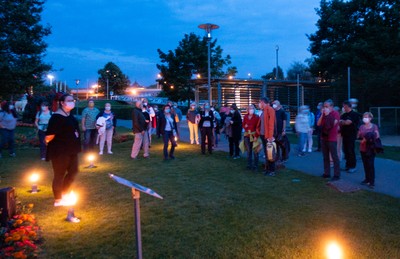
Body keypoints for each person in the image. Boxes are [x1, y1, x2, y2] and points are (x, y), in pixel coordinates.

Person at [45, 94, 81, 206]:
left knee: (74, 171)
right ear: (62, 103)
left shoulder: (70, 115)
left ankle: (65, 193)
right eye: (69, 100)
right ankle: (58, 199)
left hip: (72, 150)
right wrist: (47, 142)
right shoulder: (56, 117)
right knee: (59, 174)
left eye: (73, 100)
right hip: (60, 151)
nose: (72, 102)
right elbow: (49, 135)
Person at [317, 99, 340, 181]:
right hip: (324, 138)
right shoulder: (323, 114)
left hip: (332, 138)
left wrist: (328, 114)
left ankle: (337, 174)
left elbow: (333, 124)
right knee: (325, 156)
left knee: (334, 156)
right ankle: (327, 173)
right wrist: (322, 115)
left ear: (331, 107)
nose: (325, 108)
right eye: (324, 106)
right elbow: (318, 123)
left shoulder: (335, 113)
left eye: (327, 106)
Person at [358, 112, 380, 188]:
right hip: (363, 148)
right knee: (365, 164)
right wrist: (360, 136)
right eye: (364, 117)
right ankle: (367, 179)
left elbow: (377, 136)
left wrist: (368, 137)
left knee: (370, 164)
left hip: (371, 148)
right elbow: (358, 135)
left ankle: (372, 181)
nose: (365, 118)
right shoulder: (361, 127)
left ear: (370, 118)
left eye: (367, 117)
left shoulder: (374, 126)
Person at [256, 97, 276, 176]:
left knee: (270, 153)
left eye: (260, 102)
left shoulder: (270, 110)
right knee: (266, 153)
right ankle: (267, 169)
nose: (259, 104)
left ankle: (271, 170)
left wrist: (270, 136)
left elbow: (271, 124)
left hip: (267, 136)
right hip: (263, 135)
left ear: (263, 102)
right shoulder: (263, 111)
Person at [339, 100, 360, 173]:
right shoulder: (344, 115)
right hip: (344, 134)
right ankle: (347, 165)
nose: (343, 107)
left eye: (344, 106)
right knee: (346, 150)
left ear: (346, 106)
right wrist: (343, 122)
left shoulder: (354, 114)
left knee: (350, 150)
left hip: (351, 134)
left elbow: (348, 122)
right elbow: (339, 121)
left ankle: (352, 166)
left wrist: (343, 122)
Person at [242, 105, 260, 170]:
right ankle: (249, 164)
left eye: (252, 108)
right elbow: (243, 124)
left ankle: (256, 166)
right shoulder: (246, 116)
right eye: (249, 108)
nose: (251, 110)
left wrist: (256, 136)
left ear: (254, 109)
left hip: (254, 136)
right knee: (249, 151)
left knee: (255, 151)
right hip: (247, 135)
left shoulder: (256, 117)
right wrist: (245, 126)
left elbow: (258, 127)